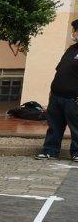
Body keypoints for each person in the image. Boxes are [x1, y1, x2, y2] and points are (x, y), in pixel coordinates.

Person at [36, 18, 78, 161]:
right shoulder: (71, 49)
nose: (73, 33)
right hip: (57, 95)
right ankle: (50, 151)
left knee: (76, 128)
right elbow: (60, 70)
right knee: (54, 126)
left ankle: (77, 153)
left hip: (73, 98)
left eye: (75, 31)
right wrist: (51, 92)